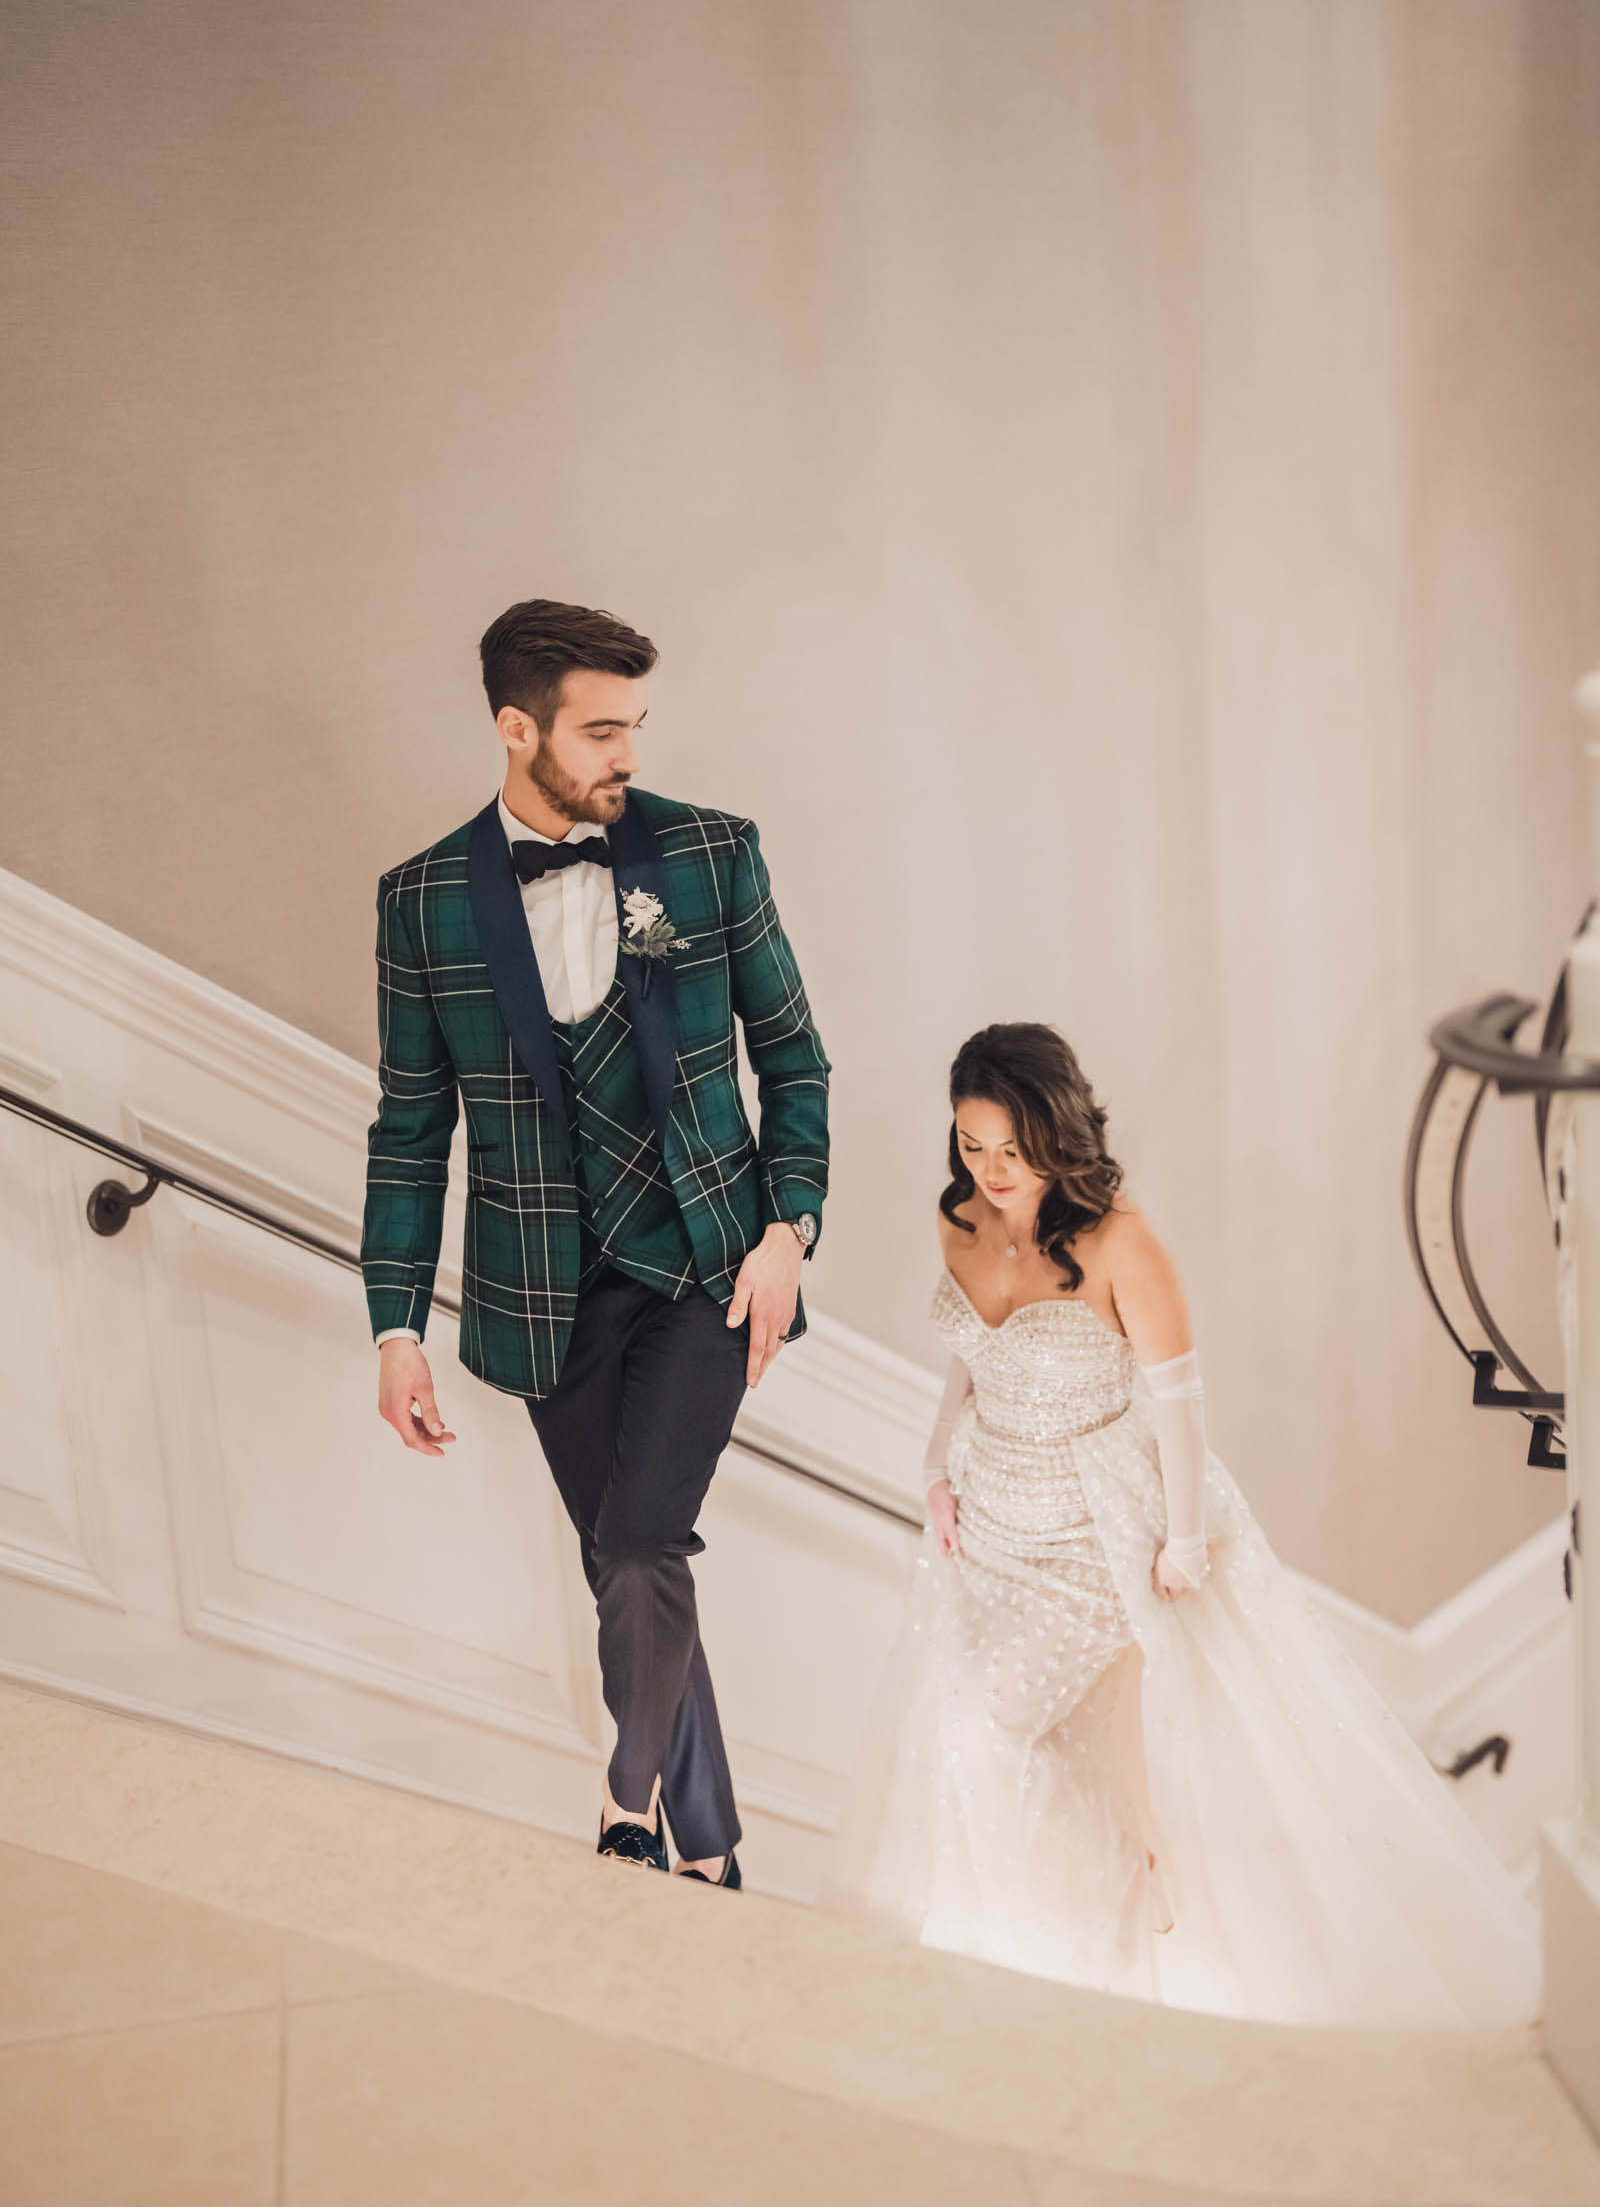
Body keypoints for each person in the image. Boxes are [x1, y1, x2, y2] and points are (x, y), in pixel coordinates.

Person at [830, 1022, 1538, 2027]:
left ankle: (1111, 1888)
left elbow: (1178, 1406)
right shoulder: (959, 1218)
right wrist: (936, 1462)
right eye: (971, 1144)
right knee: (1012, 1740)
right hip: (985, 1519)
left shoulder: (1124, 1242)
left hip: (1085, 1537)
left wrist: (1184, 1539)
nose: (990, 1170)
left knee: (976, 1726)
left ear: (1056, 1131)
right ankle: (1055, 1958)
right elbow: (971, 1351)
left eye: (1012, 1147)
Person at [361, 598, 829, 1885]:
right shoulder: (423, 903)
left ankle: (629, 1801)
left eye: (636, 726)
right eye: (600, 731)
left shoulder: (708, 855)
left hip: (709, 1270)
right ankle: (710, 1849)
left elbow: (792, 1058)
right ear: (517, 731)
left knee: (636, 1544)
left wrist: (788, 1230)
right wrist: (396, 1325)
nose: (629, 754)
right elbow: (411, 1129)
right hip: (544, 1294)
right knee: (630, 1559)